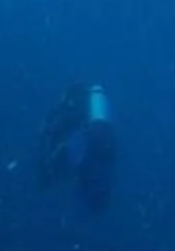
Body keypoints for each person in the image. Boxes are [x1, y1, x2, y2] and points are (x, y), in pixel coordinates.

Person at [37, 80, 116, 209]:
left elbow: (57, 128)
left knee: (85, 168)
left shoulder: (74, 107)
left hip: (95, 144)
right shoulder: (92, 110)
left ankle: (94, 197)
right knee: (97, 168)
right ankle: (98, 197)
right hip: (106, 143)